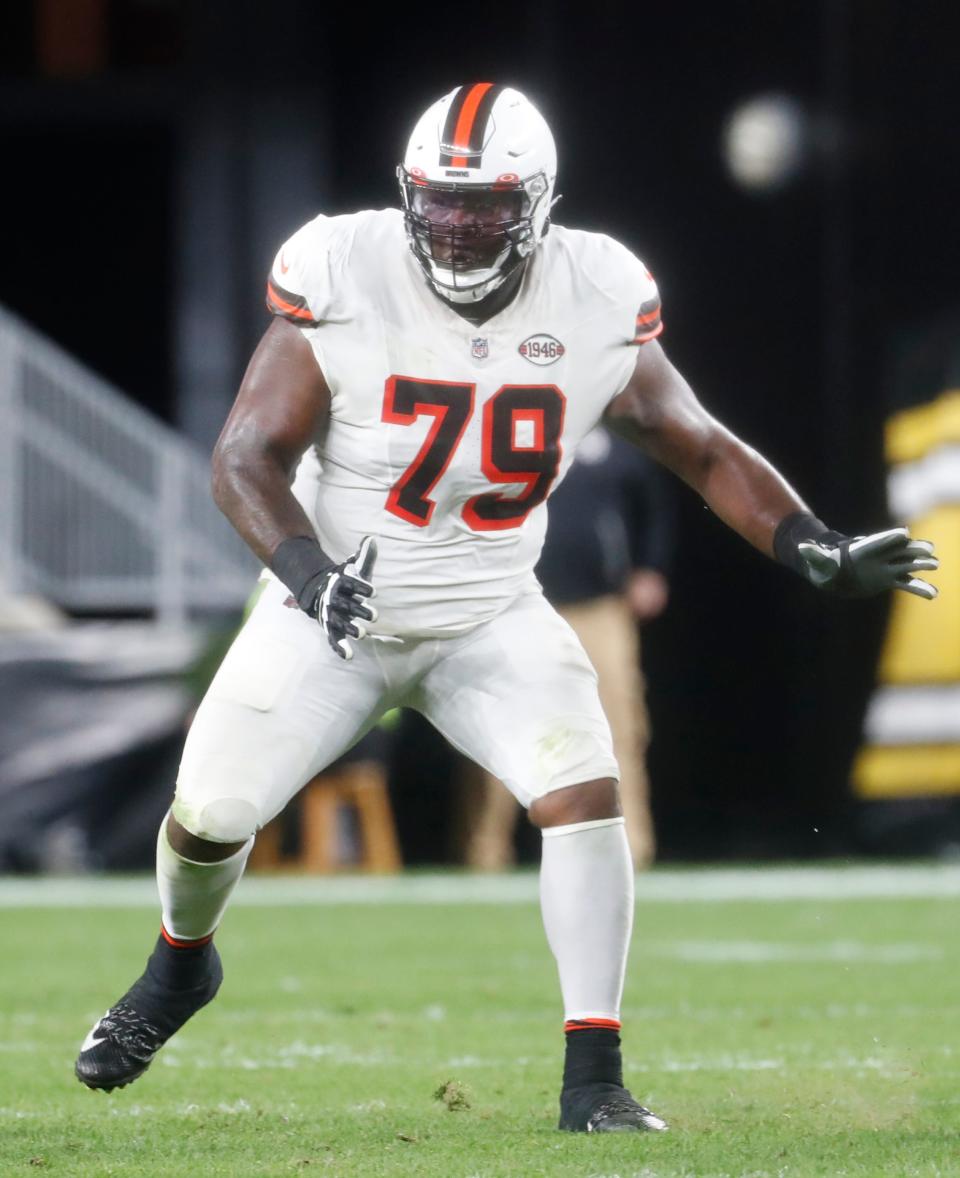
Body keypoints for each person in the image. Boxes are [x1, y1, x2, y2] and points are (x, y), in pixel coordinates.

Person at [75, 83, 939, 1133]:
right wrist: (309, 571)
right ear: (408, 196)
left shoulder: (595, 287)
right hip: (334, 608)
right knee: (208, 818)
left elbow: (701, 443)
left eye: (484, 204)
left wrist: (810, 540)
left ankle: (595, 1079)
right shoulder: (343, 266)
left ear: (537, 203)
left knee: (584, 794)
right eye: (440, 201)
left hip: (491, 610)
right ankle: (178, 967)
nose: (457, 224)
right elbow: (244, 455)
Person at [462, 428, 672, 870]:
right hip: (515, 605)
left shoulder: (614, 446)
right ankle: (486, 851)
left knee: (620, 726)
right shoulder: (510, 433)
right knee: (499, 726)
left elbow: (655, 505)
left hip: (600, 609)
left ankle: (633, 845)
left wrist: (651, 567)